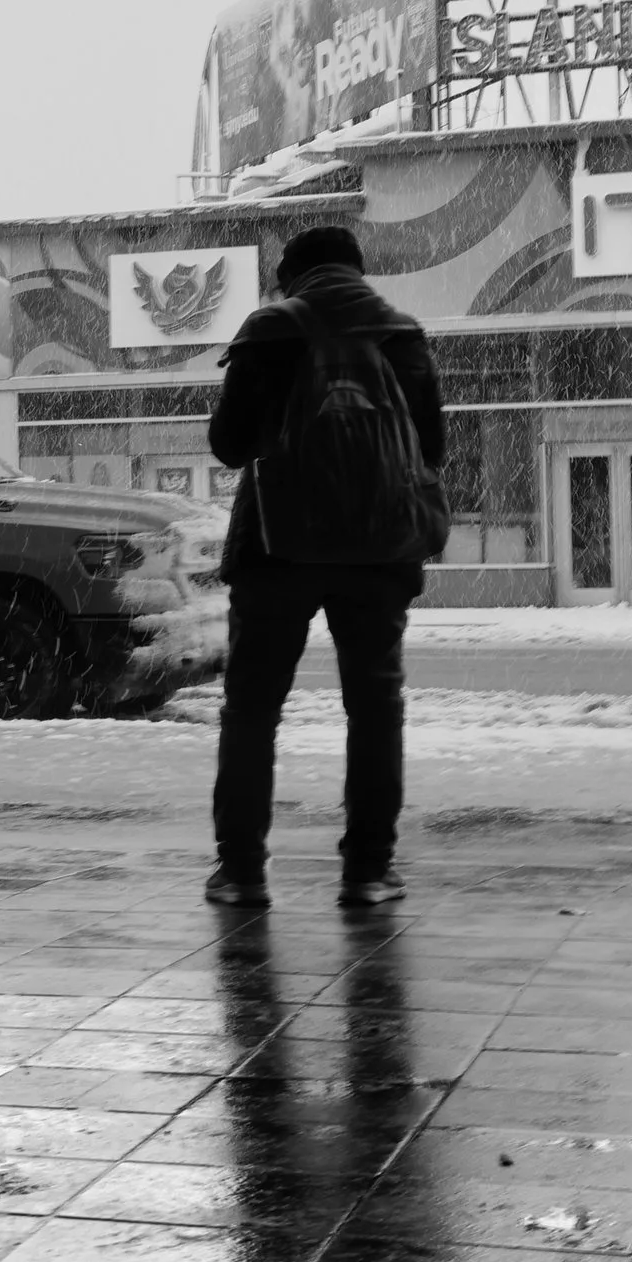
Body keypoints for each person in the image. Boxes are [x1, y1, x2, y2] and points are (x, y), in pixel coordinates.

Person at [204, 220, 445, 915]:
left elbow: (228, 445)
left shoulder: (273, 328)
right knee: (374, 710)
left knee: (252, 710)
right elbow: (431, 445)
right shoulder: (400, 333)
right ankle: (367, 872)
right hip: (377, 549)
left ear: (292, 276)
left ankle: (242, 872)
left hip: (277, 546)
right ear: (357, 270)